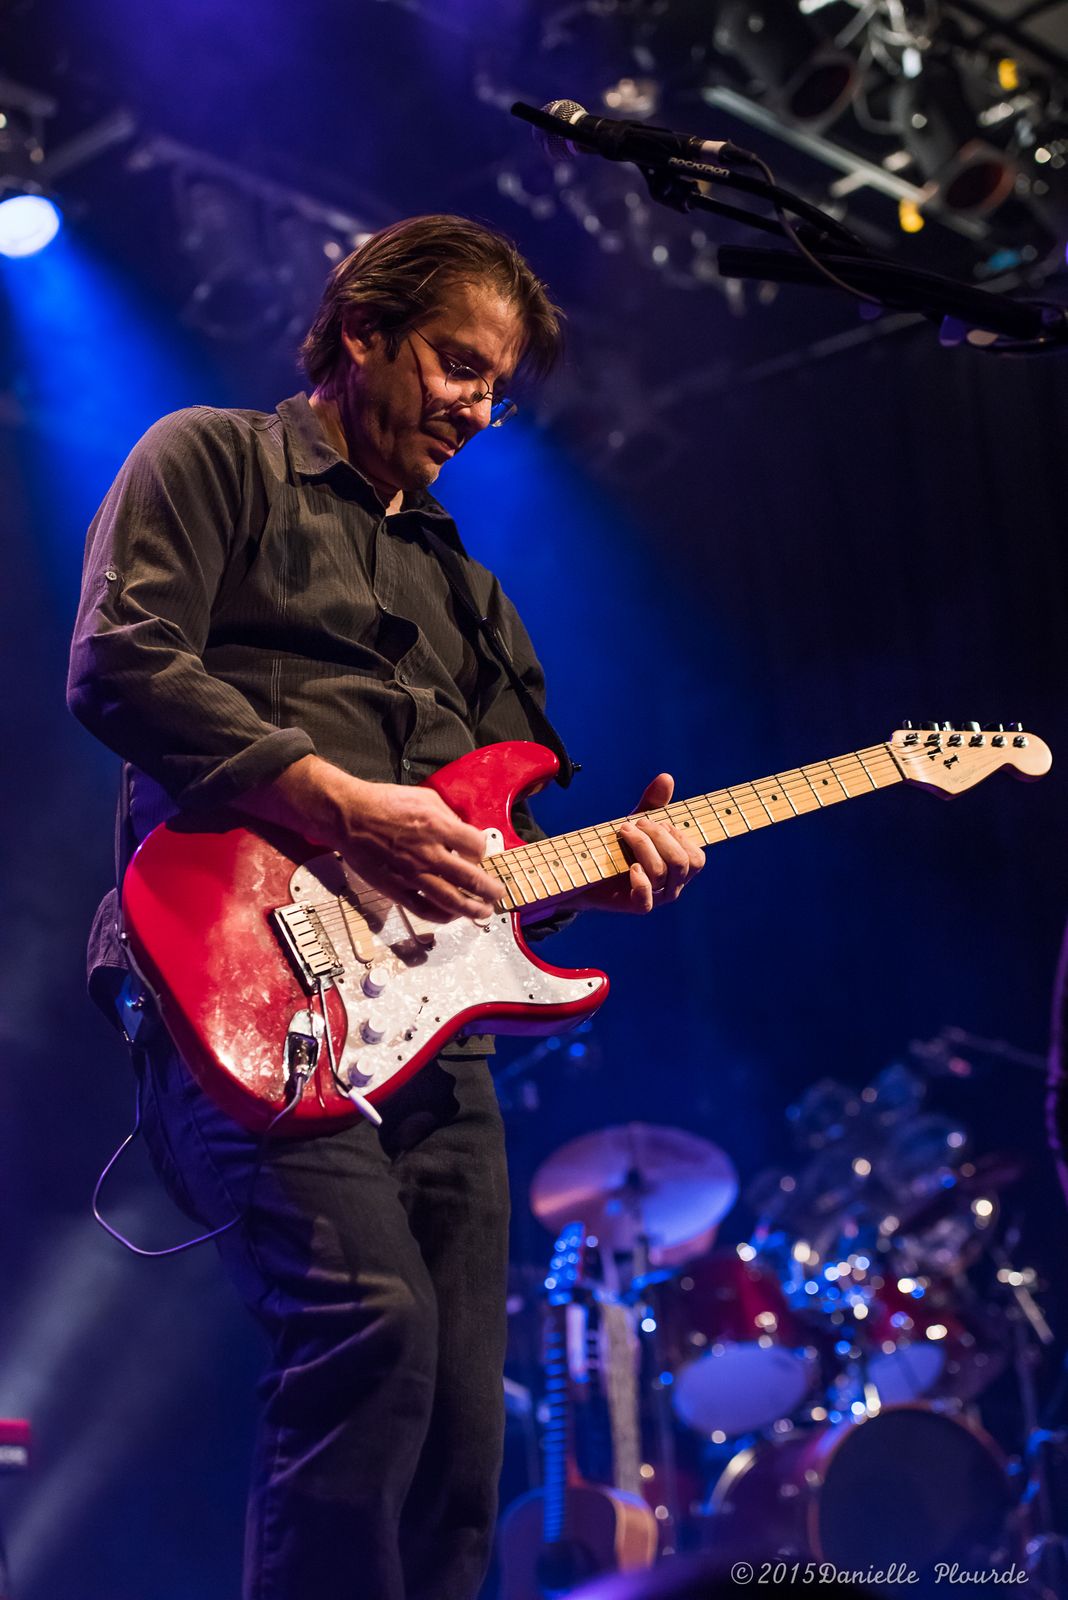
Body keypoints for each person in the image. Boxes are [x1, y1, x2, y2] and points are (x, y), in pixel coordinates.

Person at [68, 214, 704, 1600]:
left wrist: (594, 877)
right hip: (236, 973)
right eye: (457, 364)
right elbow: (119, 661)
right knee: (371, 1328)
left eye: (497, 387)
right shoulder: (213, 459)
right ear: (362, 330)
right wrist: (343, 803)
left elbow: (493, 859)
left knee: (465, 1431)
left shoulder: (473, 595)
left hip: (430, 1027)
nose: (477, 406)